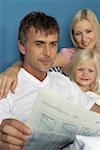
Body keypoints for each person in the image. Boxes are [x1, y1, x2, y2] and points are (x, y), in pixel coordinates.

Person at [0, 11, 100, 150]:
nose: (48, 53)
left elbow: (95, 111)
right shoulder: (6, 85)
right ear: (22, 46)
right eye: (39, 44)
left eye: (53, 44)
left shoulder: (63, 82)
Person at [0, 8, 99, 98]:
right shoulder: (69, 55)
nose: (84, 38)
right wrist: (12, 70)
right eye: (78, 33)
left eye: (88, 31)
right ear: (73, 35)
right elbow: (34, 61)